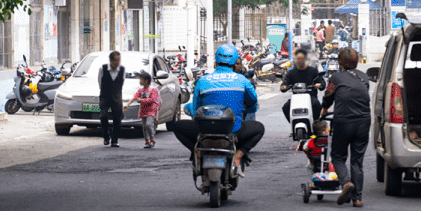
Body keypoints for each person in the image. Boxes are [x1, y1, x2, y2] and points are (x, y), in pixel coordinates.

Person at [170, 44, 264, 172]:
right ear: (235, 61)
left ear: (216, 61)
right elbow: (252, 101)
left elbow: (196, 109)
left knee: (177, 126)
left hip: (204, 131)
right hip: (232, 131)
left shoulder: (203, 81)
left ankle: (197, 152)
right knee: (259, 128)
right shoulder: (242, 80)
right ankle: (239, 155)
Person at [320, 47, 371, 208]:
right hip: (364, 121)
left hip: (343, 121)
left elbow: (328, 96)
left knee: (338, 156)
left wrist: (324, 108)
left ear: (340, 62)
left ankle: (346, 183)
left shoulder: (336, 77)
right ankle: (357, 199)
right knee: (357, 161)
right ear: (356, 62)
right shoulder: (364, 78)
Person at [281, 47, 325, 121]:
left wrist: (319, 85)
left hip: (310, 97)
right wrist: (283, 86)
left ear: (305, 59)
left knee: (317, 105)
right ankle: (292, 121)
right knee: (286, 106)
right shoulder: (291, 72)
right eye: (298, 59)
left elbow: (321, 82)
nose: (300, 61)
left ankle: (315, 122)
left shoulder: (313, 71)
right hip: (296, 98)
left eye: (302, 58)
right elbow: (285, 82)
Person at [98, 51, 125, 147]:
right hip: (105, 97)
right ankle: (106, 136)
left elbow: (122, 82)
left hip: (117, 98)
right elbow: (100, 82)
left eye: (118, 60)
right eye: (115, 61)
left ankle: (115, 140)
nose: (117, 63)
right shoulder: (103, 68)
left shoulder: (122, 70)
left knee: (117, 119)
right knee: (103, 116)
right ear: (110, 60)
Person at [127, 72, 161, 148]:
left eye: (141, 79)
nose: (140, 81)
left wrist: (141, 101)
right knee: (144, 127)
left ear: (146, 81)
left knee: (148, 124)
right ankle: (147, 141)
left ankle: (152, 138)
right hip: (143, 111)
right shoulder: (140, 90)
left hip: (151, 111)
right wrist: (128, 104)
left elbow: (152, 100)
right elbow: (135, 97)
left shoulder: (153, 90)